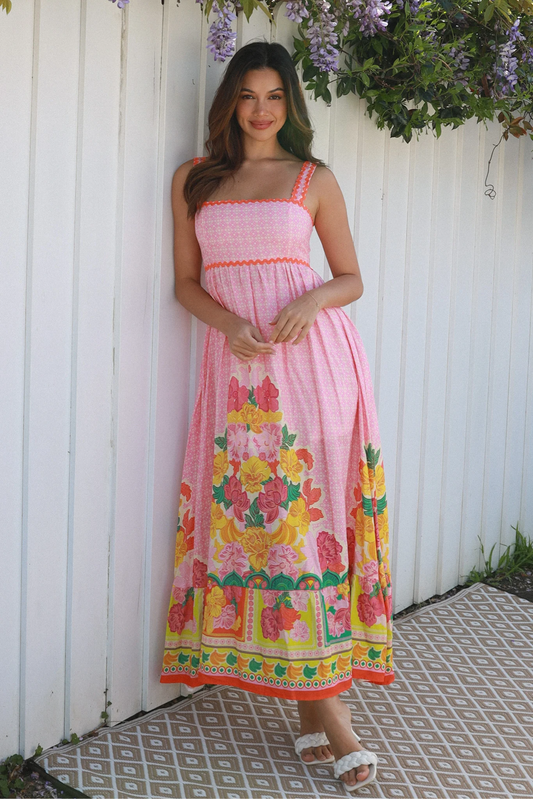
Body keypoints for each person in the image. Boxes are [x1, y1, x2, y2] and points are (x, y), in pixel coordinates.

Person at [160, 40, 393, 793]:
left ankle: (328, 718)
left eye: (274, 97)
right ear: (228, 101)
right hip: (237, 378)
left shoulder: (310, 179)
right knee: (269, 533)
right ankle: (316, 712)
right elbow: (184, 285)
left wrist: (308, 297)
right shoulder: (194, 181)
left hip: (316, 370)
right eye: (247, 95)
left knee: (307, 531)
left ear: (290, 105)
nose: (260, 110)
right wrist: (227, 323)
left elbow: (350, 276)